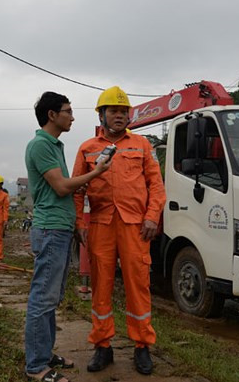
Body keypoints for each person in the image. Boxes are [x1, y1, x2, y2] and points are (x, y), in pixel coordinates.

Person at [72, 86, 166, 375]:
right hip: (100, 225)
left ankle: (142, 347)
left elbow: (156, 186)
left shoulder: (141, 145)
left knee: (138, 285)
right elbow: (77, 189)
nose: (119, 115)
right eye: (113, 110)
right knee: (101, 286)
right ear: (102, 115)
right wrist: (79, 223)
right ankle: (103, 346)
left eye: (123, 111)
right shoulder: (88, 148)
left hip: (135, 226)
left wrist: (152, 217)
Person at [24, 91, 111, 382]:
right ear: (52, 115)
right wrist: (96, 172)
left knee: (53, 296)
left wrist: (75, 225)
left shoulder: (54, 145)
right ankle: (36, 366)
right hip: (49, 229)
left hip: (59, 228)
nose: (72, 116)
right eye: (68, 111)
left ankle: (45, 353)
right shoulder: (40, 145)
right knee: (42, 298)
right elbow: (61, 188)